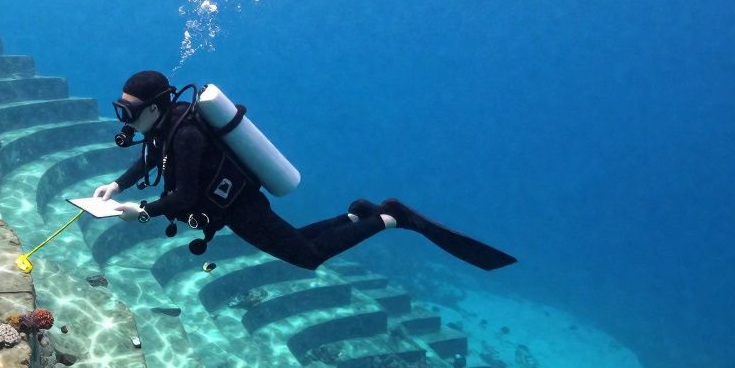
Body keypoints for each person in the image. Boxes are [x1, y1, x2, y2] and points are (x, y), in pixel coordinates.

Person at [93, 70, 515, 271]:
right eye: (121, 108)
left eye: (128, 110)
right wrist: (116, 185)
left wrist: (142, 210)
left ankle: (389, 217)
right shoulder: (165, 126)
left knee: (307, 257)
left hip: (239, 207)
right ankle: (355, 215)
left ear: (153, 107)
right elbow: (148, 158)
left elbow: (183, 198)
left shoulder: (185, 134)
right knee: (294, 240)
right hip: (232, 208)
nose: (124, 118)